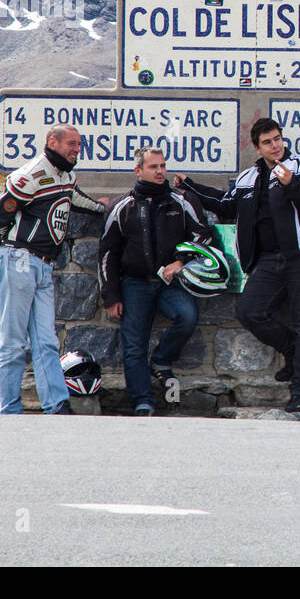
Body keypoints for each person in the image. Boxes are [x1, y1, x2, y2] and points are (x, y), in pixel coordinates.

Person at [176, 118, 300, 413]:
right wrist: (190, 186)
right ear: (257, 146)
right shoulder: (248, 177)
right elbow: (225, 204)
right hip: (268, 260)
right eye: (268, 142)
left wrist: (292, 185)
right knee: (249, 311)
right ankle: (292, 350)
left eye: (277, 139)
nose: (275, 146)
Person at [0, 125, 107, 415]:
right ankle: (10, 410)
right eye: (71, 144)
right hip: (19, 261)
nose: (77, 149)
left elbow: (80, 201)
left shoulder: (66, 176)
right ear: (53, 142)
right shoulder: (31, 175)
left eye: (79, 144)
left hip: (43, 266)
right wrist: (8, 246)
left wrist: (106, 208)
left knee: (47, 342)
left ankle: (56, 405)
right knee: (14, 343)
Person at [99, 146, 212, 416]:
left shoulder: (183, 200)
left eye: (162, 166)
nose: (160, 171)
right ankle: (142, 403)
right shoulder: (120, 206)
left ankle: (161, 361)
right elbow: (107, 254)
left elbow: (204, 236)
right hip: (134, 284)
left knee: (187, 315)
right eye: (153, 167)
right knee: (134, 345)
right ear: (138, 171)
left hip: (171, 284)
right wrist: (111, 296)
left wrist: (181, 260)